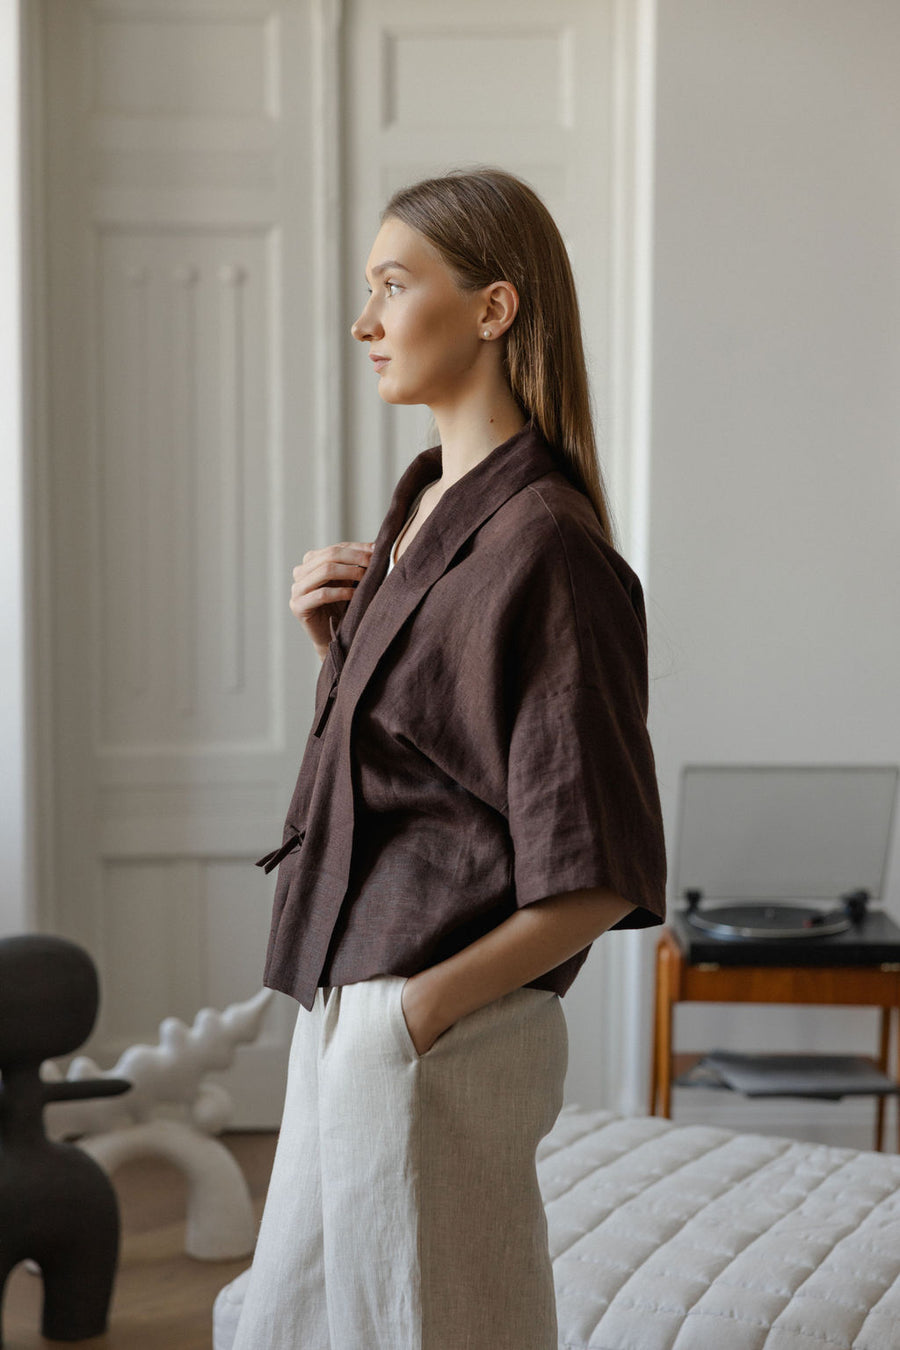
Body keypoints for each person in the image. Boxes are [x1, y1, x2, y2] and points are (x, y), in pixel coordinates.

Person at [222, 167, 667, 1350]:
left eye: (393, 286)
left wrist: (416, 1019)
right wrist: (345, 657)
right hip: (350, 998)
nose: (364, 323)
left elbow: (603, 868)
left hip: (426, 1021)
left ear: (493, 308)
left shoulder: (549, 546)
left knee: (437, 1326)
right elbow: (432, 785)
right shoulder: (424, 509)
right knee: (308, 1324)